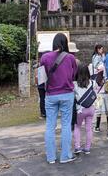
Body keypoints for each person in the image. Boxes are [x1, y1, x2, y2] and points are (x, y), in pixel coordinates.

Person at [40, 33, 78, 164]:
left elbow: (41, 77)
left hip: (50, 95)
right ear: (65, 43)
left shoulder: (44, 57)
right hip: (67, 94)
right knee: (66, 125)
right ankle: (65, 156)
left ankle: (51, 157)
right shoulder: (71, 58)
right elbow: (74, 75)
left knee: (50, 126)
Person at [73, 64, 95, 155]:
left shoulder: (74, 84)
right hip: (91, 108)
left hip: (80, 110)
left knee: (77, 127)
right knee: (89, 129)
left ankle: (77, 147)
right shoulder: (92, 83)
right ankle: (87, 147)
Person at [92, 44, 108, 132]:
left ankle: (97, 126)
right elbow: (100, 68)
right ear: (98, 49)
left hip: (98, 89)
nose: (102, 50)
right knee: (106, 108)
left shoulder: (96, 57)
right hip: (102, 88)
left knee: (99, 108)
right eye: (101, 49)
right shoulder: (97, 58)